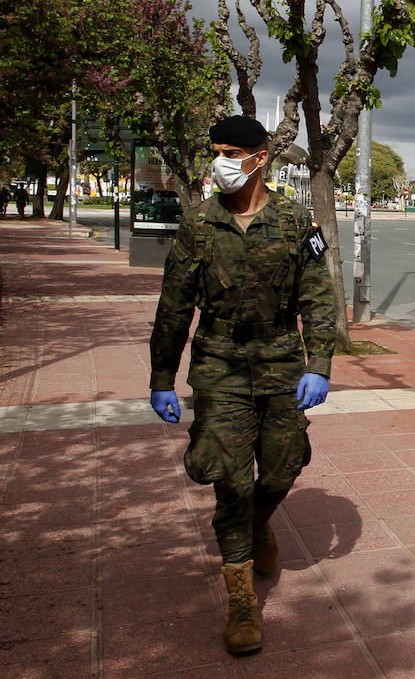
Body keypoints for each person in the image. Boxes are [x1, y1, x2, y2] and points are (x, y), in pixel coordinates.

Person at [147, 115, 337, 656]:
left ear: (260, 158)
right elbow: (174, 306)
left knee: (284, 464)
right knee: (229, 478)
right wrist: (162, 375)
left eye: (232, 152)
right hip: (220, 364)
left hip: (279, 359)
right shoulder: (198, 224)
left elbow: (317, 298)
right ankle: (241, 600)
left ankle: (259, 521)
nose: (221, 161)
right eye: (216, 151)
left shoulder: (297, 222)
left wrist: (318, 363)